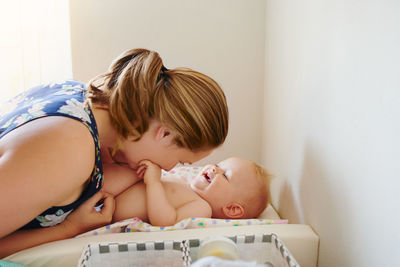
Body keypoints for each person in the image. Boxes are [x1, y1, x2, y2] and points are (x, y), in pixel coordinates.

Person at [0, 48, 229, 257]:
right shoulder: (70, 150)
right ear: (165, 134)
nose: (170, 169)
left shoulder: (80, 95)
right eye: (181, 161)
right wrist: (70, 228)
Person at [108, 157, 271, 226]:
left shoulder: (202, 208)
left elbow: (166, 221)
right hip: (113, 190)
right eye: (218, 165)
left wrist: (153, 183)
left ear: (231, 209)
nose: (214, 168)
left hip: (110, 207)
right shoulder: (185, 184)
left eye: (226, 175)